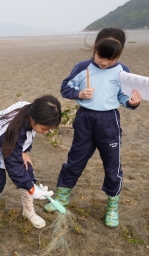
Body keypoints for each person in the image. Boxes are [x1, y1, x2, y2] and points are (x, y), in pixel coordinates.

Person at [44, 28, 142, 228]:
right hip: (85, 120)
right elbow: (65, 88)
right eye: (100, 56)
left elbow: (124, 98)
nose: (104, 62)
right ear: (94, 49)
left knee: (112, 166)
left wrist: (132, 103)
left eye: (111, 59)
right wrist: (80, 94)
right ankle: (62, 199)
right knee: (75, 160)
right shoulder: (83, 67)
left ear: (119, 55)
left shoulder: (123, 70)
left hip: (109, 122)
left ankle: (112, 207)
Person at [0, 95, 62, 229]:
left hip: (9, 143)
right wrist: (31, 188)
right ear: (33, 118)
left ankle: (28, 211)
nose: (46, 132)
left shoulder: (31, 110)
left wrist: (24, 151)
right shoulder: (15, 130)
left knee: (27, 171)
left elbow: (27, 137)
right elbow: (12, 163)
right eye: (44, 129)